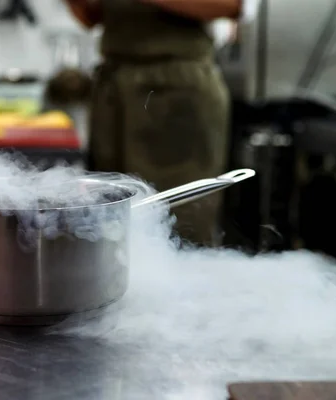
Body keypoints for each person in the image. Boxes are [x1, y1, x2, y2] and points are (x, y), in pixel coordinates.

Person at [64, 0, 253, 246]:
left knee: (179, 227)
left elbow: (233, 6)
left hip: (177, 92)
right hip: (114, 89)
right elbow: (91, 17)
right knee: (110, 224)